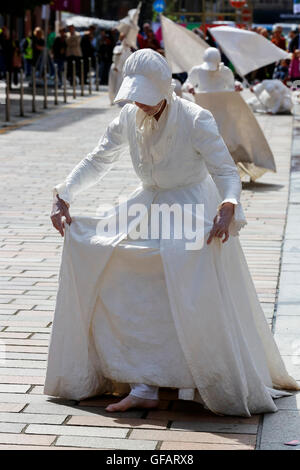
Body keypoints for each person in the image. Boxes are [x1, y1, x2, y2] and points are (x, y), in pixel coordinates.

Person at [45, 49, 299, 417]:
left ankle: (190, 377)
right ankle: (143, 382)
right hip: (147, 204)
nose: (139, 103)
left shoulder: (196, 118)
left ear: (164, 89)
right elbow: (99, 159)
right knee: (121, 272)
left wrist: (228, 205)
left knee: (185, 289)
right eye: (135, 95)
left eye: (145, 96)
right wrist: (63, 193)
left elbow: (225, 171)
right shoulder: (128, 117)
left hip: (192, 208)